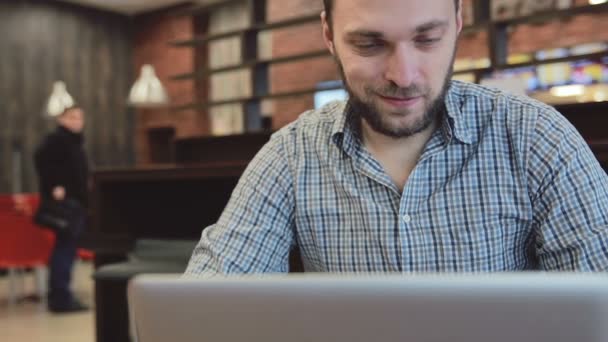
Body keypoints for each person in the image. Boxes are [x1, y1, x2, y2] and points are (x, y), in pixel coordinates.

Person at [185, 0, 608, 275]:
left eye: (427, 39)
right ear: (329, 36)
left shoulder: (536, 137)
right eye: (369, 44)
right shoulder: (291, 155)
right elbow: (211, 300)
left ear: (458, 24)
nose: (403, 76)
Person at [34, 105, 89, 312]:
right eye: (72, 117)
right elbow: (40, 158)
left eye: (79, 117)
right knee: (64, 251)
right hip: (66, 205)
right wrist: (55, 185)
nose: (76, 121)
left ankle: (62, 296)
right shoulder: (57, 140)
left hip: (76, 203)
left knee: (67, 250)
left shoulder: (74, 142)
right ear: (61, 119)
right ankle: (60, 299)